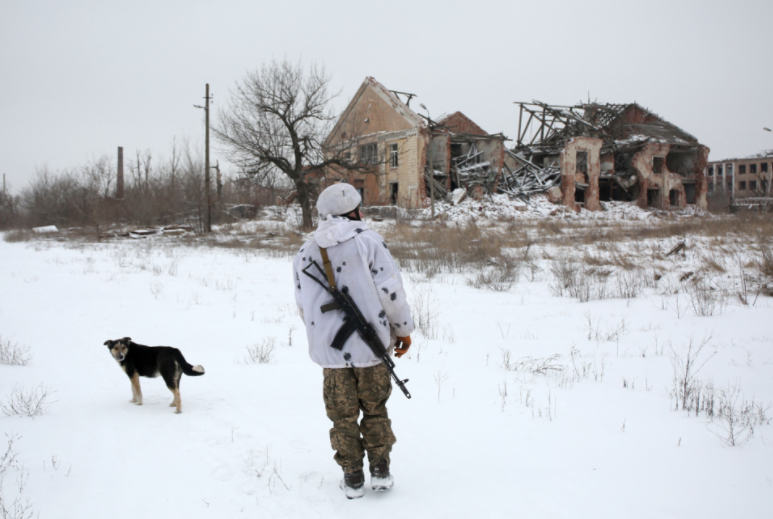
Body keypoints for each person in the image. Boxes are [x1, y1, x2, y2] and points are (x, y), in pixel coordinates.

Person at [293, 183, 414, 499]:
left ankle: (352, 476)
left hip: (331, 355)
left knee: (341, 416)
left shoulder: (304, 252)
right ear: (353, 211)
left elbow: (303, 306)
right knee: (375, 410)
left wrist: (321, 338)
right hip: (371, 350)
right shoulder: (368, 242)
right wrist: (402, 330)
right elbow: (391, 293)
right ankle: (380, 471)